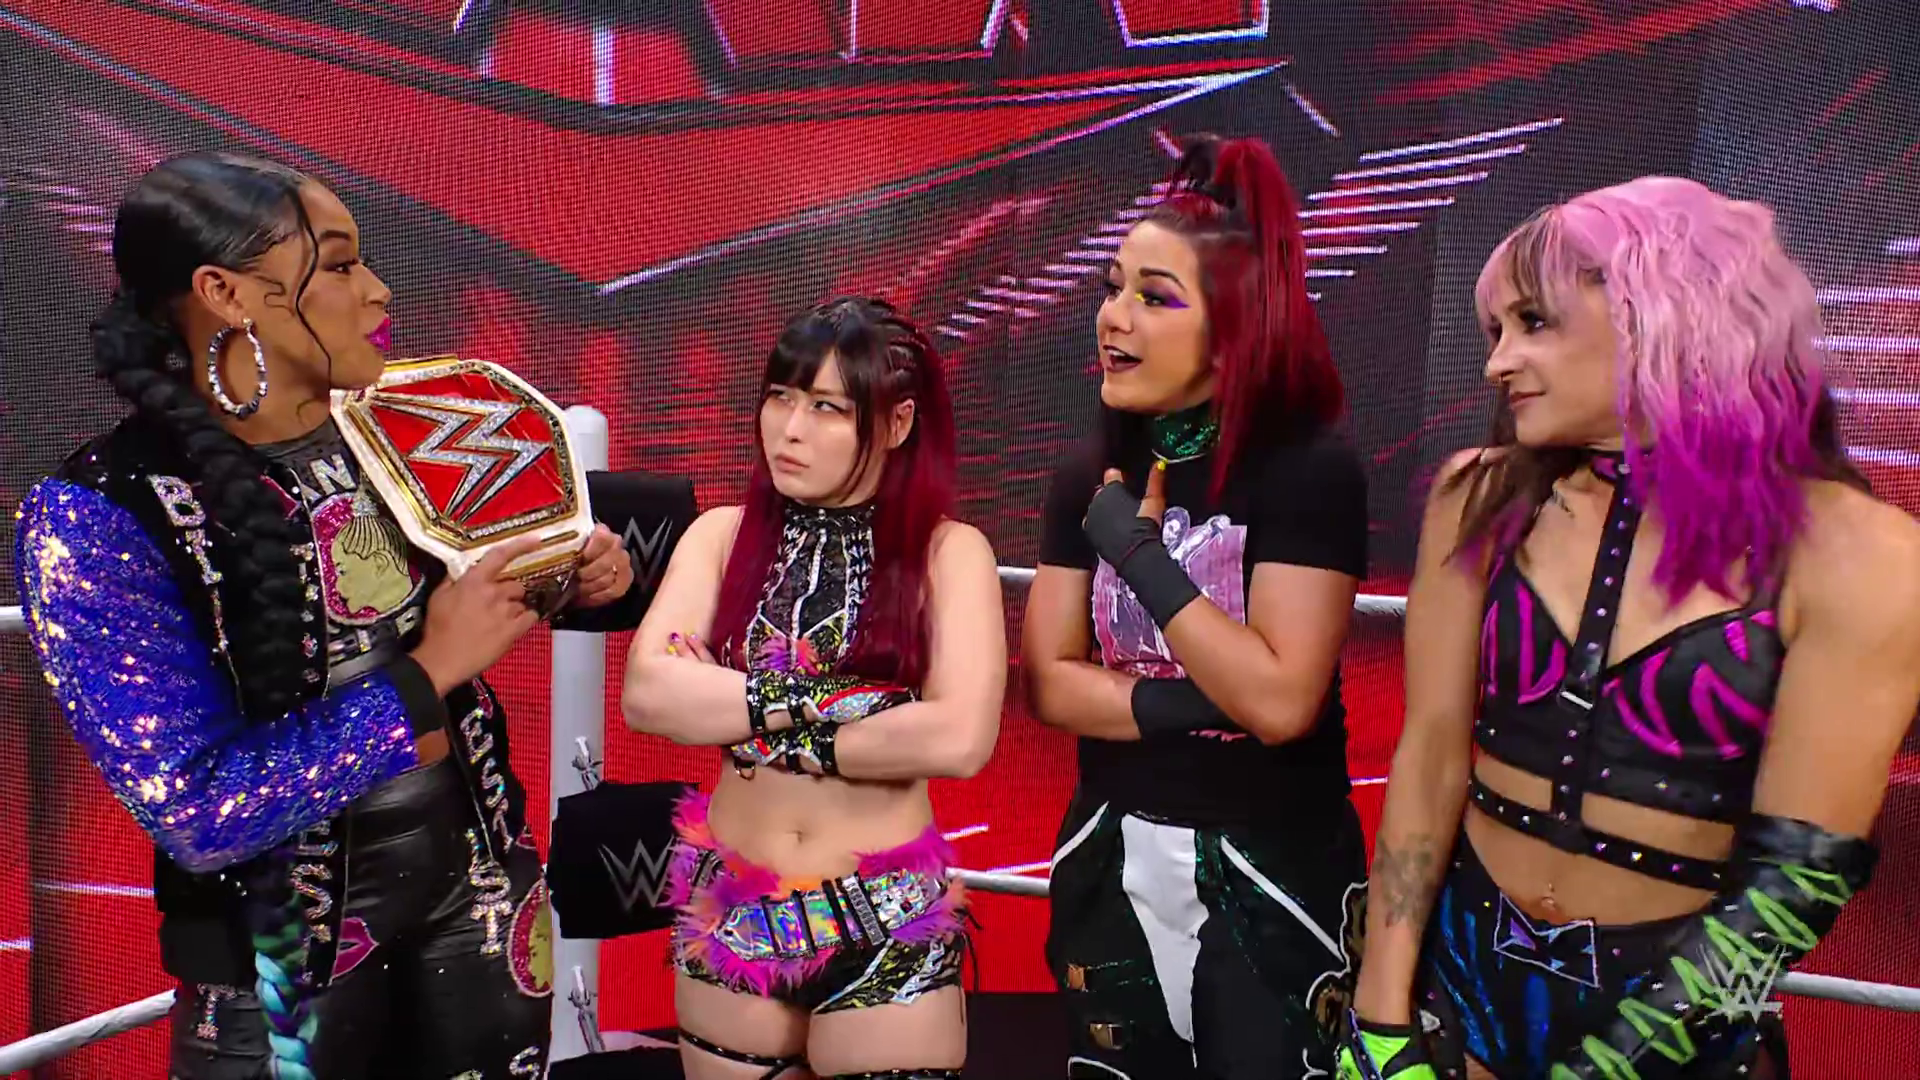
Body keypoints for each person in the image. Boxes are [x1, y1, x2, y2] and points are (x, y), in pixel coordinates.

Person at [14, 151, 642, 1080]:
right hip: (273, 972)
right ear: (227, 294)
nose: (379, 290)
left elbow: (493, 581)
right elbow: (201, 812)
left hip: (486, 911)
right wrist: (429, 674)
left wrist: (573, 575)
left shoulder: (417, 420)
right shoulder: (97, 516)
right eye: (341, 265)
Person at [1339, 177, 1920, 1080]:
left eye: (1534, 323)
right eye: (1496, 332)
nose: (1497, 363)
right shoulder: (1477, 497)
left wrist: (1608, 1070)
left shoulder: (1863, 554)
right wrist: (1378, 1021)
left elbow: (1795, 884)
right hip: (1459, 984)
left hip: (1683, 1021)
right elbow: (1430, 756)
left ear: (1662, 315)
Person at [1022, 134, 1371, 1080]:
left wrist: (1139, 556)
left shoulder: (1307, 471)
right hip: (1109, 848)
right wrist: (1214, 699)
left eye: (1154, 297)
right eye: (1112, 288)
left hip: (1271, 863)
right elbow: (1050, 683)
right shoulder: (1090, 472)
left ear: (1234, 333)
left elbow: (1283, 705)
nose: (1113, 316)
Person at [621, 297, 1004, 1079]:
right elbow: (649, 694)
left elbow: (959, 738)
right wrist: (857, 708)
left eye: (826, 407)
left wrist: (733, 705)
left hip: (884, 923)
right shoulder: (721, 535)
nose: (789, 429)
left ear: (897, 423)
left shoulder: (950, 554)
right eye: (780, 397)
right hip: (733, 917)